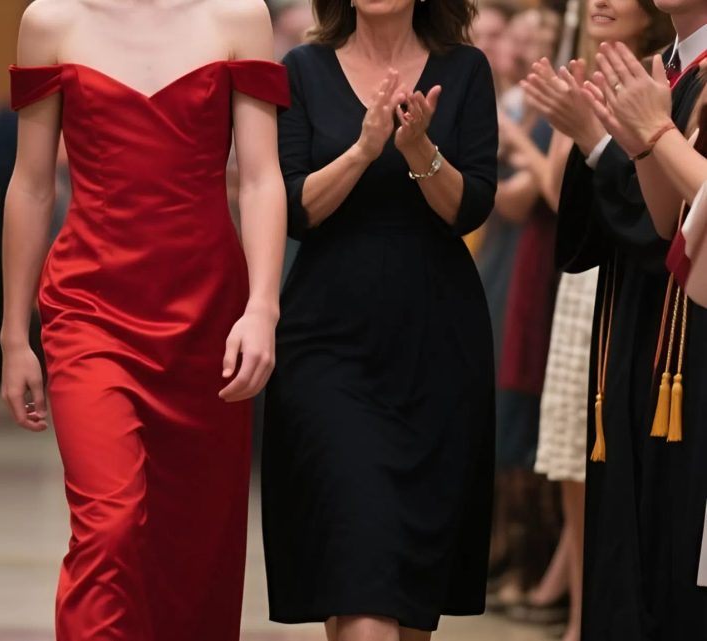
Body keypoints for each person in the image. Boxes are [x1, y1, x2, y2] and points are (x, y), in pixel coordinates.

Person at [2, 0, 287, 637]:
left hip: (207, 311)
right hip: (89, 306)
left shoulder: (239, 15)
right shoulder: (51, 20)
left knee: (195, 540)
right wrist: (13, 335)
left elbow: (260, 178)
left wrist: (262, 307)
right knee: (109, 521)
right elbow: (32, 184)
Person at [262, 0, 499, 638]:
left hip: (436, 346)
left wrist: (419, 149)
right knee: (360, 576)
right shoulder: (303, 69)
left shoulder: (466, 69)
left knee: (411, 602)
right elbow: (295, 209)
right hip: (327, 348)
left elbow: (470, 207)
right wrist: (364, 150)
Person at [515, 2, 674, 638]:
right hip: (600, 286)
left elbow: (663, 219)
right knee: (579, 458)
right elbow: (578, 210)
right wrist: (580, 131)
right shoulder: (609, 73)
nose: (601, 3)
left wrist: (585, 138)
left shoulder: (663, 78)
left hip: (655, 294)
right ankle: (585, 613)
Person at [547, 0, 707, 630]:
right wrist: (597, 139)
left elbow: (666, 231)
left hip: (689, 340)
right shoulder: (658, 69)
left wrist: (606, 143)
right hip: (632, 330)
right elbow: (629, 229)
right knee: (628, 531)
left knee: (672, 545)